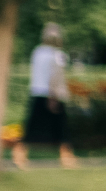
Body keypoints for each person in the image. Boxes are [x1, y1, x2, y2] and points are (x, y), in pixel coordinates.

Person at [24, 29, 75, 167]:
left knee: (32, 126)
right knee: (62, 127)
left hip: (37, 92)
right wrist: (54, 96)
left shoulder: (37, 52)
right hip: (53, 94)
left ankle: (20, 154)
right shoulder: (59, 54)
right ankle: (66, 157)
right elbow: (56, 75)